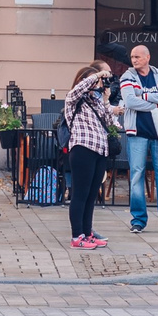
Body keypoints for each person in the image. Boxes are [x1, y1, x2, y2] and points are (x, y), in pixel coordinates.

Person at [116, 43, 158, 233]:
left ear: (147, 57)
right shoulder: (127, 76)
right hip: (137, 133)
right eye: (132, 57)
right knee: (136, 176)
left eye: (137, 57)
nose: (134, 60)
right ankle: (138, 220)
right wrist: (157, 102)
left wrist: (143, 94)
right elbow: (129, 101)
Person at [61, 60, 116, 249]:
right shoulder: (74, 100)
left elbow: (110, 122)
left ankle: (87, 233)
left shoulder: (95, 101)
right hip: (83, 149)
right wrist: (96, 76)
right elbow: (77, 90)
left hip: (100, 150)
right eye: (94, 81)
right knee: (80, 194)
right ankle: (77, 237)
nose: (98, 85)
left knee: (92, 195)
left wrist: (106, 99)